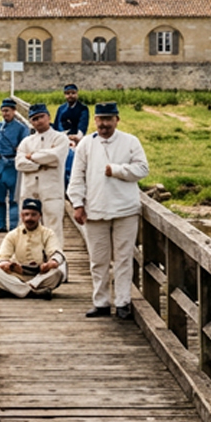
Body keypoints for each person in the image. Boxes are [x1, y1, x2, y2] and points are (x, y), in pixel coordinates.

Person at [68, 102, 149, 320]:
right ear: (95, 120)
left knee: (123, 259)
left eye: (108, 119)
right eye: (100, 119)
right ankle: (101, 302)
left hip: (125, 210)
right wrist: (77, 204)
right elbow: (77, 176)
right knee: (98, 260)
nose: (104, 124)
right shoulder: (86, 144)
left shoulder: (130, 141)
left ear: (117, 120)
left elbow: (143, 169)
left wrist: (117, 170)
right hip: (95, 210)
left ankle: (123, 302)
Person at [0, 198, 65, 300]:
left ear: (40, 216)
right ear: (21, 215)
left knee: (57, 273)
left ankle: (15, 291)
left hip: (40, 275)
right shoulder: (13, 234)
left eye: (34, 215)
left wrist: (52, 262)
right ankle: (34, 293)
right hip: (18, 274)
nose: (30, 218)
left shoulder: (48, 233)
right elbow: (2, 256)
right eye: (26, 214)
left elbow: (56, 252)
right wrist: (8, 265)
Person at [14, 103, 69, 234]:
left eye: (41, 117)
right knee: (28, 228)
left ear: (49, 117)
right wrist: (41, 163)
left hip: (52, 191)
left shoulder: (60, 138)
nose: (38, 121)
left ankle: (54, 254)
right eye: (34, 119)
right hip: (30, 190)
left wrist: (31, 156)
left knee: (53, 228)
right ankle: (31, 255)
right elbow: (19, 163)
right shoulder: (26, 141)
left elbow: (55, 157)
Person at [0, 97, 29, 232]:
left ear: (14, 111)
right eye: (3, 111)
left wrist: (19, 150)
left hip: (13, 166)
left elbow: (26, 144)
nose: (5, 114)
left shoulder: (22, 128)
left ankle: (13, 227)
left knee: (14, 198)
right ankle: (1, 224)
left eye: (8, 111)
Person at [56, 84, 89, 188]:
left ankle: (73, 187)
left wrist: (77, 136)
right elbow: (57, 124)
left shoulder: (82, 108)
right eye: (68, 93)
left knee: (73, 164)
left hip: (76, 141)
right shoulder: (61, 109)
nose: (70, 96)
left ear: (77, 94)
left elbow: (83, 123)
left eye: (73, 93)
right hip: (62, 139)